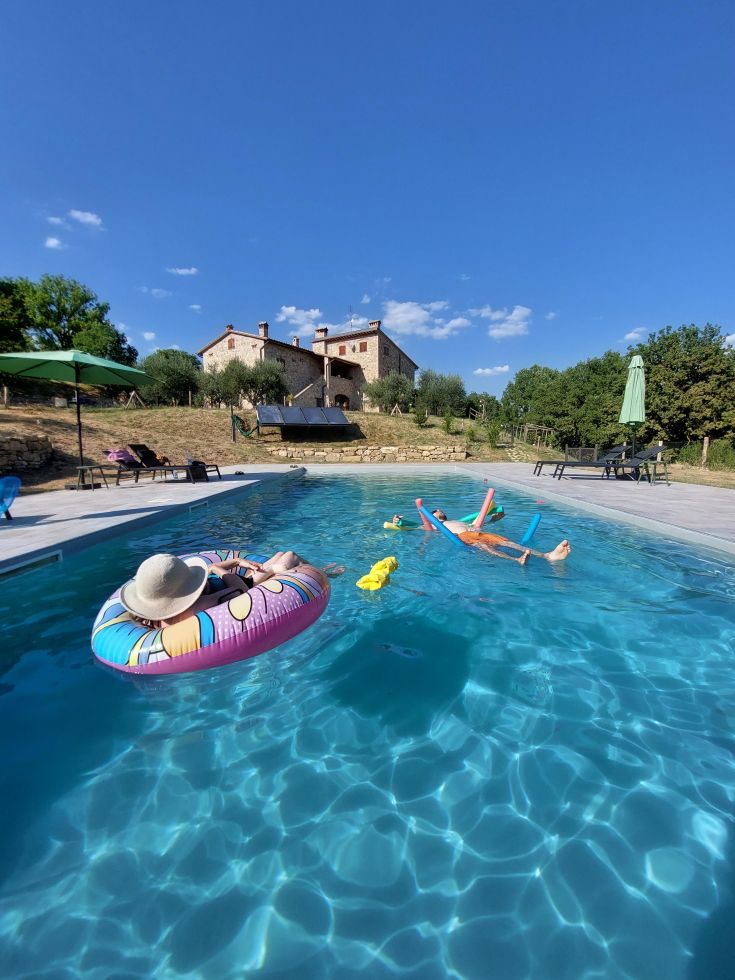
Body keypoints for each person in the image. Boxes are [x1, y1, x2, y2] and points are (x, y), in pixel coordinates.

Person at [120, 550, 335, 628]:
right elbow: (241, 592)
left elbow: (213, 568)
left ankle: (316, 569)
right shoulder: (202, 604)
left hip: (242, 579)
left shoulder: (155, 616)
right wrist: (221, 571)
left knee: (280, 554)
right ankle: (324, 573)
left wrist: (235, 561)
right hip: (254, 586)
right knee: (288, 558)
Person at [430, 508, 571, 565]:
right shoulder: (433, 525)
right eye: (436, 511)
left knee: (510, 544)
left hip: (478, 532)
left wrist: (493, 520)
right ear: (432, 516)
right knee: (485, 547)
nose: (439, 511)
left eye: (440, 510)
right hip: (462, 536)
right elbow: (413, 527)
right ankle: (516, 559)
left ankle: (547, 556)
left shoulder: (457, 521)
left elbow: (478, 525)